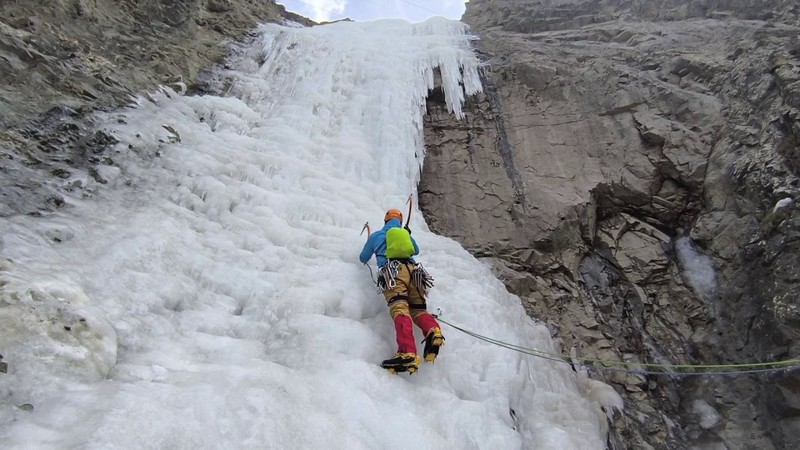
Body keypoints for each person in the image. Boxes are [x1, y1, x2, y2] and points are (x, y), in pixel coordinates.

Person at [359, 208, 444, 374]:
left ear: (385, 221)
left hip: (394, 273)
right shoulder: (404, 234)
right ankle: (434, 331)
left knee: (400, 308)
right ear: (399, 221)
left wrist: (372, 243)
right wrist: (407, 234)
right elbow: (416, 250)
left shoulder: (377, 235)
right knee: (418, 310)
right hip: (415, 272)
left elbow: (363, 258)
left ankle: (407, 353)